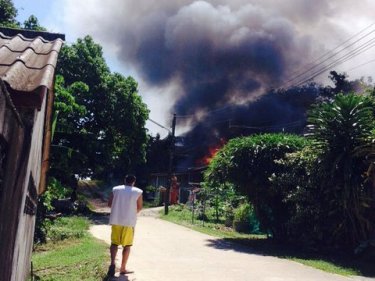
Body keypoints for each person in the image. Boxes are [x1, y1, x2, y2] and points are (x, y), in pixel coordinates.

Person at [107, 174, 143, 277]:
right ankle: (123, 268)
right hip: (129, 222)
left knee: (114, 243)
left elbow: (109, 204)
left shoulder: (115, 189)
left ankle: (113, 263)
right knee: (127, 246)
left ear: (125, 180)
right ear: (134, 182)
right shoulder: (138, 192)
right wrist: (130, 212)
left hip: (116, 220)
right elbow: (140, 207)